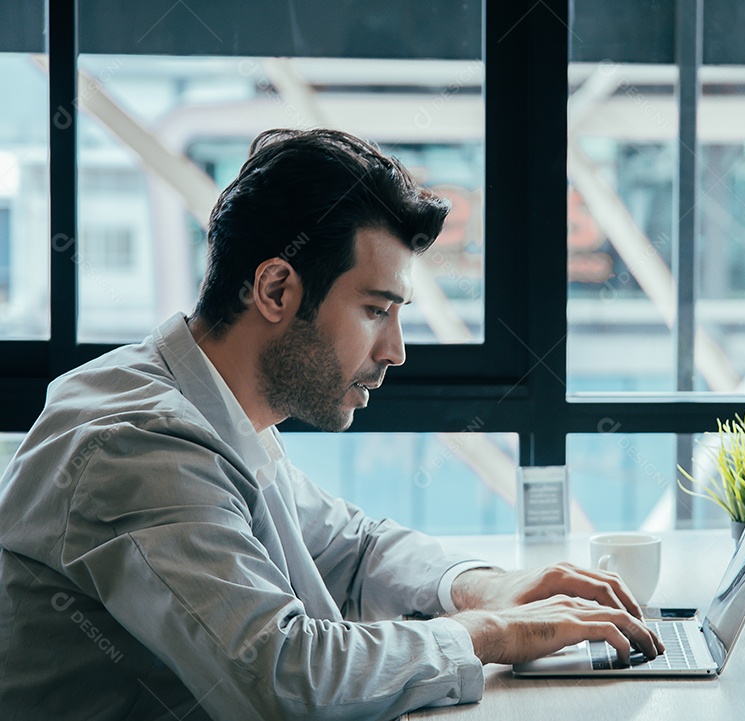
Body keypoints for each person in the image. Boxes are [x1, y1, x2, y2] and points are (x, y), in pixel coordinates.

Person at [0, 128, 662, 720]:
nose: (395, 351)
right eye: (376, 310)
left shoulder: (217, 409)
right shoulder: (139, 445)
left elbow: (355, 548)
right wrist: (489, 632)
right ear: (276, 290)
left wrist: (484, 587)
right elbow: (283, 680)